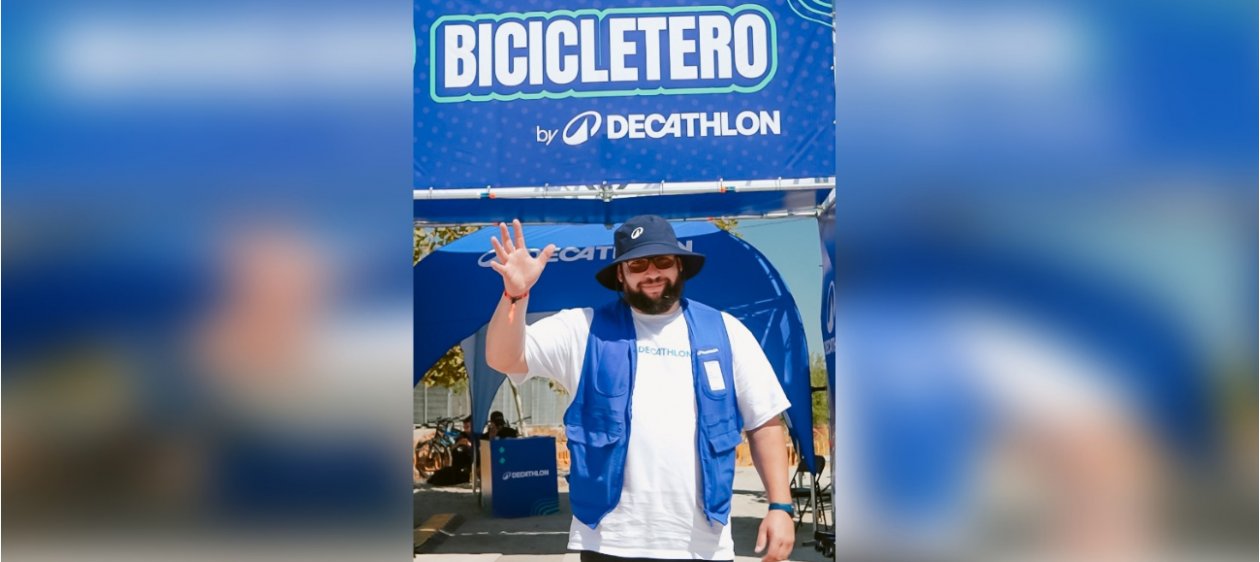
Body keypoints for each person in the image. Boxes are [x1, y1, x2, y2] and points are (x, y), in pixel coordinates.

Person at [485, 216, 795, 562]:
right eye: (637, 264)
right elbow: (503, 358)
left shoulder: (727, 332)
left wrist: (780, 506)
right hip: (610, 541)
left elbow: (764, 421)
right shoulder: (583, 329)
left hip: (704, 545)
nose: (652, 273)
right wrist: (515, 295)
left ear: (679, 265)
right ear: (621, 274)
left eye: (662, 261)